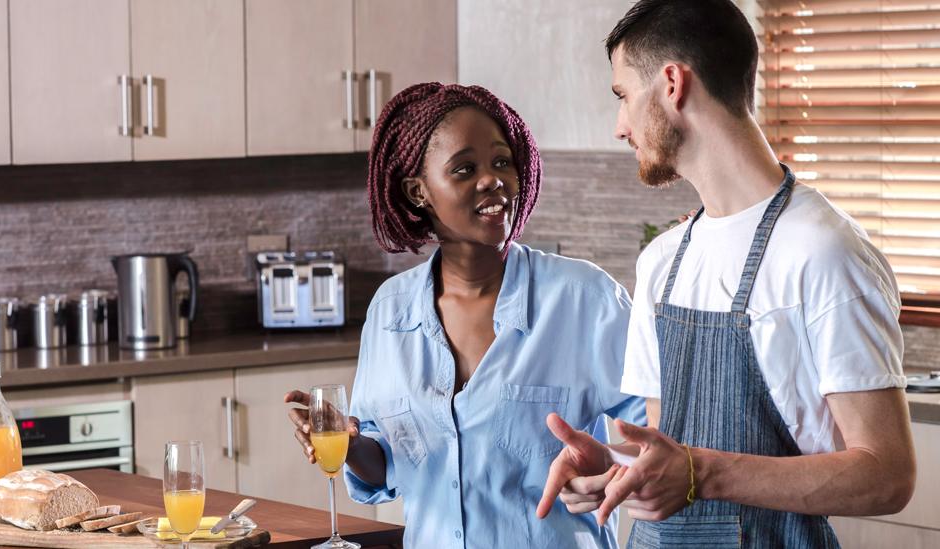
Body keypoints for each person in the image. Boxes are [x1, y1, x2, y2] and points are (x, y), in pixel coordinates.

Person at [538, 1, 916, 547]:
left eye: (622, 96)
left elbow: (887, 475)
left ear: (672, 84)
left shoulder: (824, 251)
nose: (619, 127)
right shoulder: (663, 260)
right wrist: (614, 468)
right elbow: (666, 448)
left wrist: (702, 474)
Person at [285, 83, 645, 548]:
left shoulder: (585, 300)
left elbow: (663, 436)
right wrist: (350, 445)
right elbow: (389, 465)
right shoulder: (390, 312)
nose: (492, 179)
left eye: (501, 162)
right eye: (464, 169)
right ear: (418, 192)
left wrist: (613, 463)